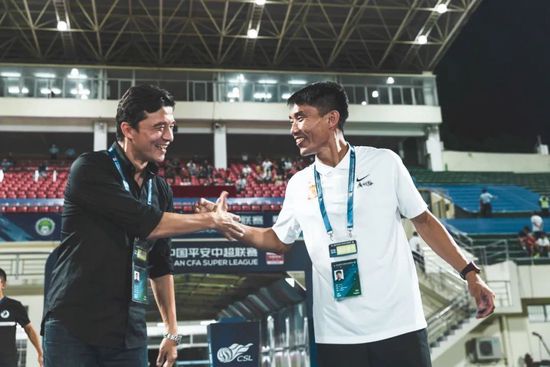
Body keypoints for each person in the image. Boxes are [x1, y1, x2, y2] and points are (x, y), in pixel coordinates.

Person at [200, 82, 495, 367]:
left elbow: (425, 221)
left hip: (400, 324)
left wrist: (469, 273)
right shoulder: (299, 183)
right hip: (336, 334)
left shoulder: (384, 163)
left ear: (331, 119)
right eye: (290, 120)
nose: (293, 129)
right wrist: (228, 226)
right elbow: (278, 240)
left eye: (300, 117)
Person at [42, 85, 243, 367]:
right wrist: (210, 220)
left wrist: (172, 332)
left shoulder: (160, 190)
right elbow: (144, 223)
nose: (169, 137)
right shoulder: (90, 169)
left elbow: (161, 266)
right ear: (128, 129)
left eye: (172, 127)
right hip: (74, 327)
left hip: (128, 333)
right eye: (159, 127)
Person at [0, 268, 44, 367]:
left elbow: (29, 330)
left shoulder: (14, 306)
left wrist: (40, 353)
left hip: (8, 361)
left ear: (3, 284)